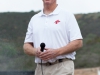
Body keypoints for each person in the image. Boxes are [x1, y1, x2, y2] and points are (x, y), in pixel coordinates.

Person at [23, 0, 83, 75]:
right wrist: (35, 51)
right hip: (40, 69)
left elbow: (78, 42)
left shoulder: (67, 15)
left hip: (62, 66)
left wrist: (56, 52)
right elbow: (26, 46)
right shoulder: (34, 19)